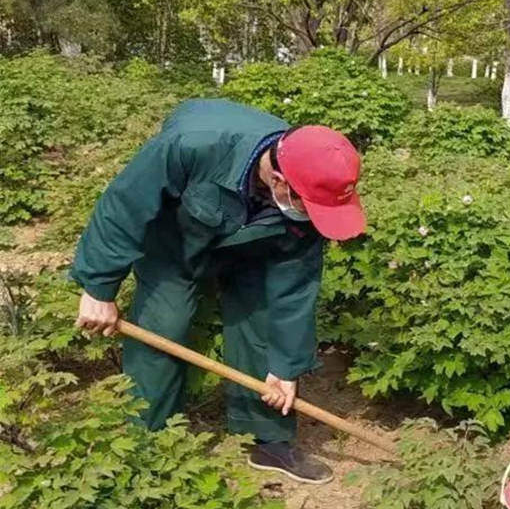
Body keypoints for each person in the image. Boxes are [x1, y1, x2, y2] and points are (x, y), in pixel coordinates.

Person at [71, 99, 367, 485]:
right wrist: (99, 286)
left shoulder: (312, 192)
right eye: (308, 206)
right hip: (176, 240)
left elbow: (294, 289)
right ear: (279, 180)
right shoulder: (193, 145)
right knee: (163, 326)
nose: (313, 216)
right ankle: (145, 444)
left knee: (263, 327)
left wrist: (285, 367)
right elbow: (124, 205)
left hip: (256, 247)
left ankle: (268, 440)